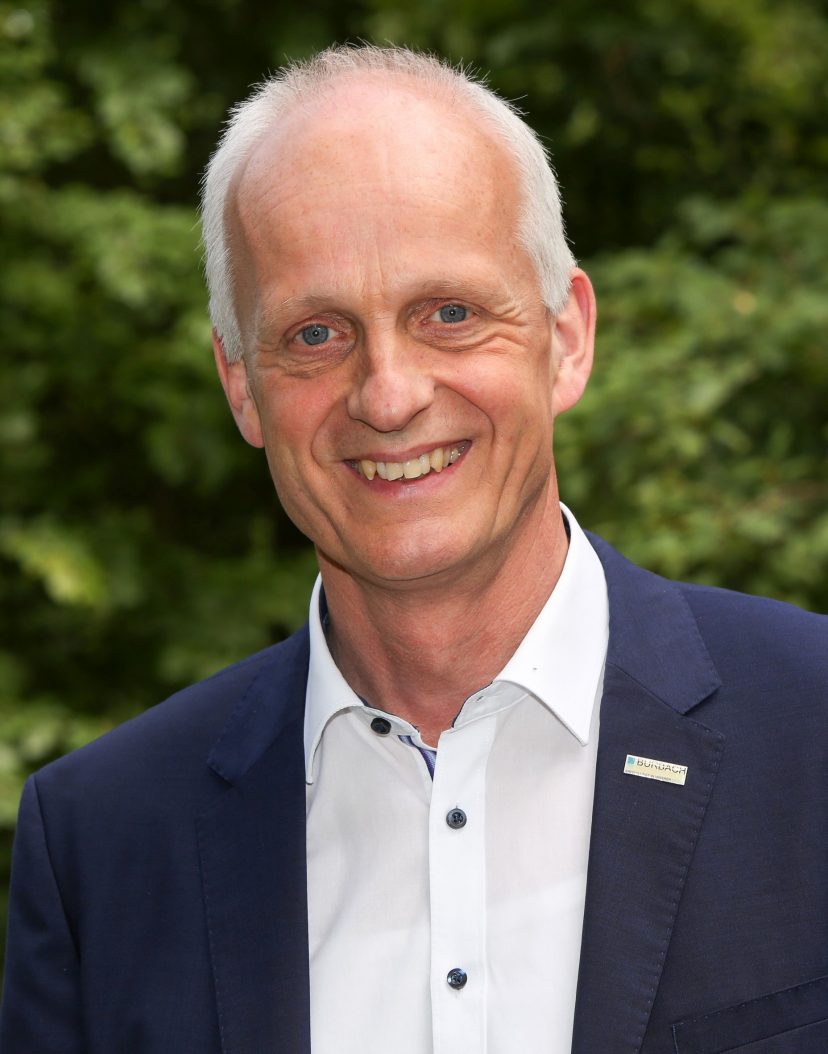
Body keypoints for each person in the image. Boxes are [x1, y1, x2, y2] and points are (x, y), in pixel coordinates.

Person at [1, 43, 826, 1054]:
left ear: (567, 338)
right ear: (241, 387)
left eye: (450, 314)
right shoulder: (102, 846)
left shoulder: (814, 732)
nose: (388, 395)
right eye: (315, 334)